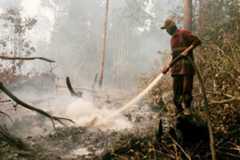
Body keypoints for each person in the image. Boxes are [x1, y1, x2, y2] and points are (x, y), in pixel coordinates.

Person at [160, 19, 201, 114]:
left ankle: (187, 108)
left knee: (187, 90)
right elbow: (175, 56)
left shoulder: (184, 33)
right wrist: (167, 67)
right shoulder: (172, 40)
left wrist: (188, 50)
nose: (166, 31)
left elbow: (197, 41)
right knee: (176, 92)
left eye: (166, 29)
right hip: (176, 70)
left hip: (187, 69)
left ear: (171, 27)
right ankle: (179, 111)